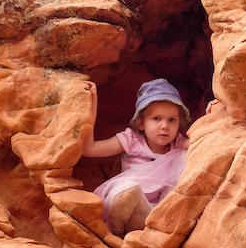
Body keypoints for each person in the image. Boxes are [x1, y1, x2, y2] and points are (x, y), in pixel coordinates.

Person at [82, 78, 191, 237]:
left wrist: (213, 115)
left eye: (172, 120)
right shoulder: (132, 141)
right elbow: (89, 149)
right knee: (129, 189)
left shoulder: (178, 144)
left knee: (186, 155)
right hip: (129, 215)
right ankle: (116, 237)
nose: (164, 126)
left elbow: (204, 140)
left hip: (161, 216)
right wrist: (91, 104)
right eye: (156, 118)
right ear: (141, 123)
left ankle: (161, 234)